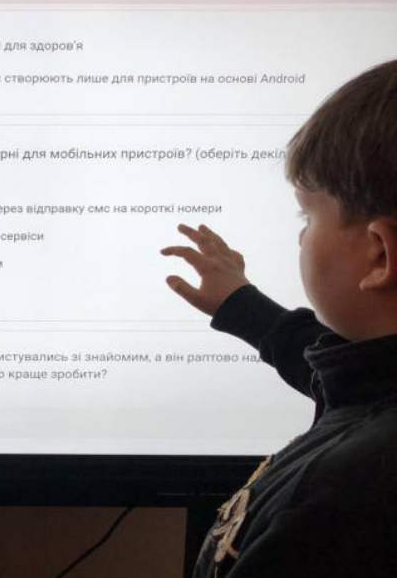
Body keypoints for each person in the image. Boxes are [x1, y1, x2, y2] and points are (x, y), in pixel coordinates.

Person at [162, 60, 397, 577]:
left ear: (379, 255)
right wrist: (240, 304)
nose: (300, 235)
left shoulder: (338, 503)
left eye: (306, 216)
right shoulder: (374, 391)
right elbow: (340, 377)